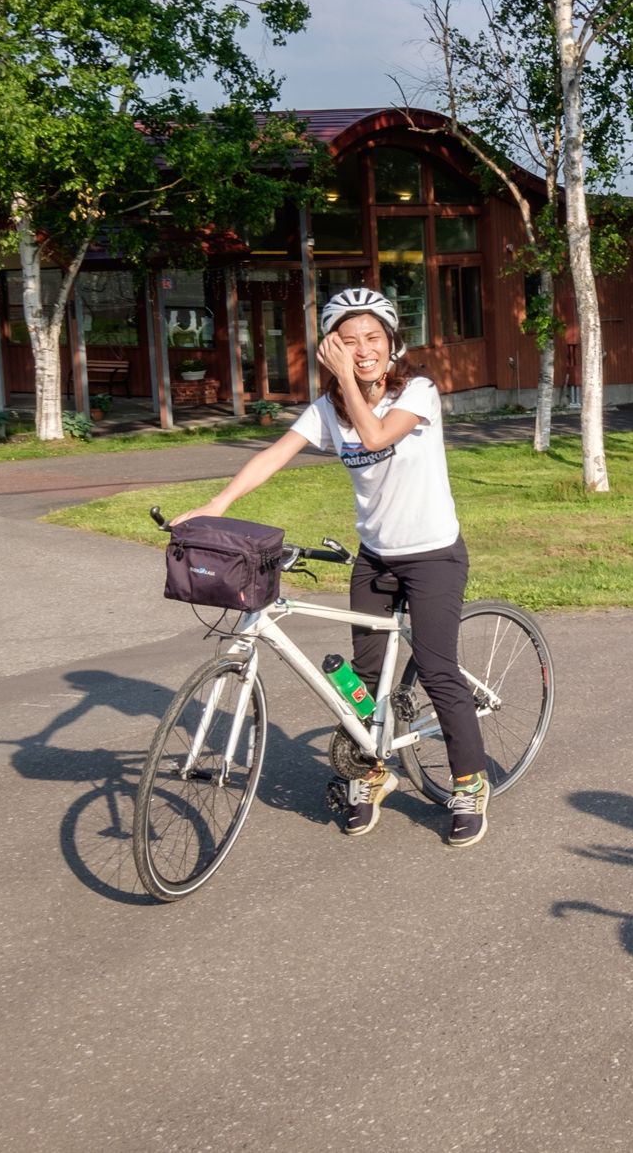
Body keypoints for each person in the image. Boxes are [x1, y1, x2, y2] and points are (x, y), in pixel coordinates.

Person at [171, 288, 491, 847]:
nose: (361, 350)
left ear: (392, 344)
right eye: (347, 341)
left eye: (371, 338)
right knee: (358, 683)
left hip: (433, 554)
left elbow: (374, 435)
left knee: (438, 671)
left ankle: (470, 784)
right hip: (375, 557)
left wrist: (347, 378)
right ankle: (371, 774)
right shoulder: (327, 410)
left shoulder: (418, 392)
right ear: (328, 347)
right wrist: (215, 506)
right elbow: (274, 455)